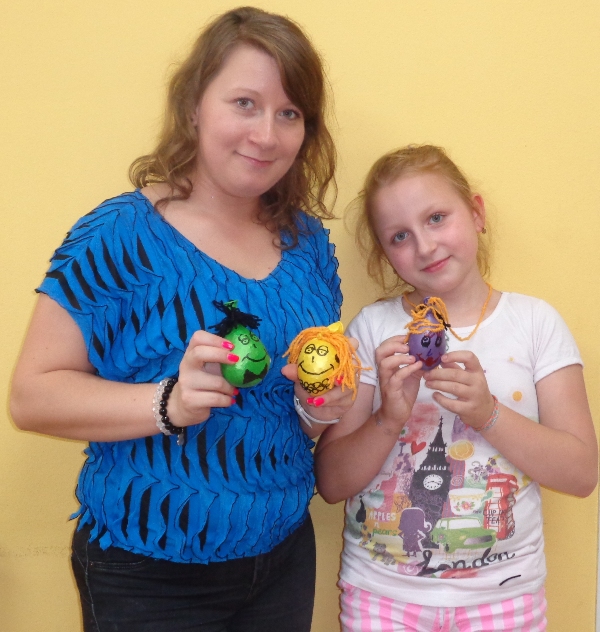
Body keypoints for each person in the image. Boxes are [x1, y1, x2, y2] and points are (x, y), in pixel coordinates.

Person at [10, 7, 353, 632]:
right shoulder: (120, 236)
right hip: (148, 569)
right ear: (194, 105)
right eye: (245, 103)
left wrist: (319, 408)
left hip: (283, 554)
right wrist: (167, 402)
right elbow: (30, 398)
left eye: (289, 113)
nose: (267, 134)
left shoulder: (309, 247)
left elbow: (294, 410)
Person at [315, 144, 597, 631]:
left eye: (436, 218)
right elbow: (332, 484)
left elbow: (581, 474)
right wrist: (389, 418)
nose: (425, 246)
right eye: (400, 236)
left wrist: (488, 413)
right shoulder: (372, 329)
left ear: (476, 214)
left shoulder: (535, 323)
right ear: (385, 253)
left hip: (505, 596)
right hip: (383, 596)